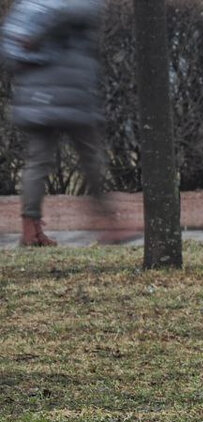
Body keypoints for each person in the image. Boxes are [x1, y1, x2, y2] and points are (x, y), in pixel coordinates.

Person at [1, 0, 136, 246]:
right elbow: (82, 9)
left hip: (36, 95)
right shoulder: (72, 4)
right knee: (91, 160)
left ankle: (30, 231)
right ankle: (110, 225)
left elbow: (10, 46)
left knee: (38, 162)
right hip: (72, 95)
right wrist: (39, 36)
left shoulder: (30, 5)